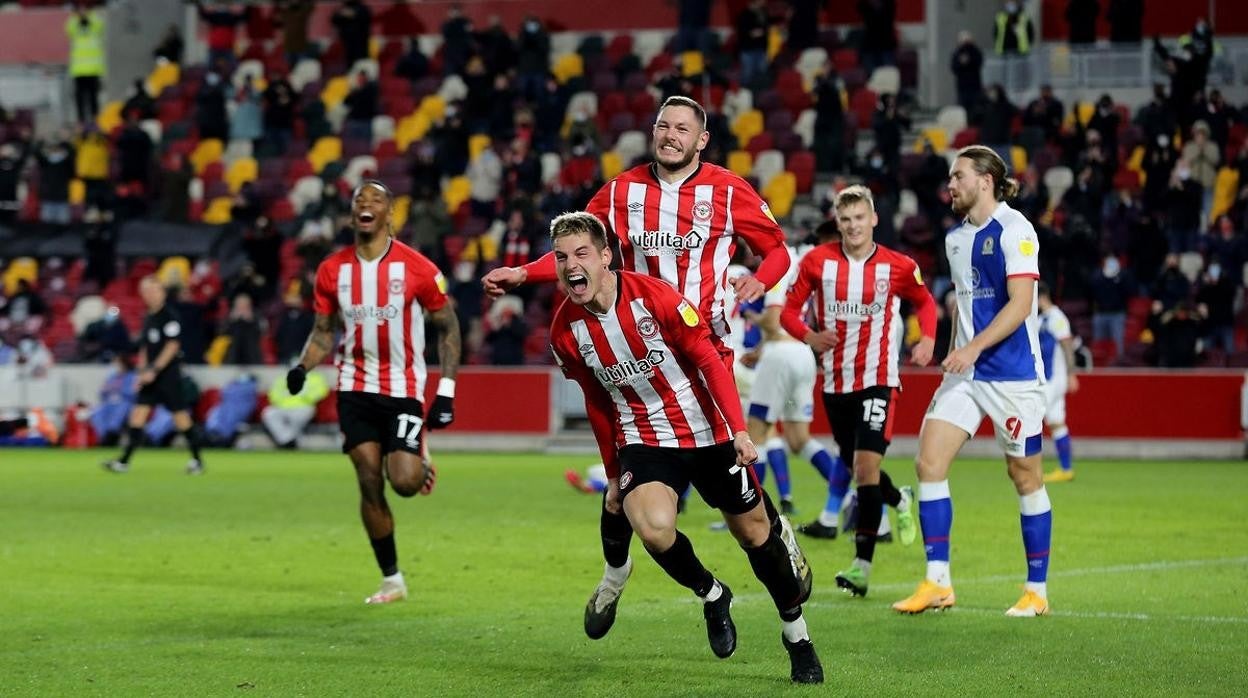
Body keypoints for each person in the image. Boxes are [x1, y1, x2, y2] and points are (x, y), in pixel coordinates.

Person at [482, 95, 798, 640]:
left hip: (705, 357)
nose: (669, 135)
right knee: (643, 502)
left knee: (746, 515)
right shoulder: (622, 191)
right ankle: (657, 573)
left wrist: (758, 282)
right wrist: (524, 273)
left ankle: (771, 534)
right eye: (662, 126)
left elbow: (776, 250)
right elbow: (578, 248)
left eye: (682, 128)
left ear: (701, 140)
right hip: (639, 359)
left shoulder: (726, 190)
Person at [546, 211, 823, 683]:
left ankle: (796, 634)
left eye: (582, 254)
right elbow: (596, 401)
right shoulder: (565, 332)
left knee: (755, 535)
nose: (571, 265)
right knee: (654, 529)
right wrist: (613, 474)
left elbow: (709, 361)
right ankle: (713, 593)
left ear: (607, 256)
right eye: (561, 257)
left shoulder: (655, 298)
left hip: (709, 430)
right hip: (645, 436)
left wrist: (739, 430)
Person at [891, 145, 1052, 617]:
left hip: (1014, 377)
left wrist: (972, 348)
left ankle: (1036, 591)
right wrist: (946, 345)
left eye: (958, 176)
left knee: (1025, 476)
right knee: (928, 463)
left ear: (985, 180)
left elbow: (1020, 304)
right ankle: (937, 582)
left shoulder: (1016, 230)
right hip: (965, 375)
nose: (950, 185)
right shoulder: (956, 239)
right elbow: (963, 301)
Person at [287, 180, 462, 605]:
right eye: (358, 201)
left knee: (403, 482)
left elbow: (449, 327)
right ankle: (392, 580)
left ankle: (419, 458)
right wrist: (303, 367)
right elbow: (325, 332)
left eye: (376, 200)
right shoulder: (332, 271)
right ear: (352, 216)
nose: (366, 205)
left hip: (403, 388)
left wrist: (447, 391)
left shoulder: (417, 269)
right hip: (354, 385)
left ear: (389, 215)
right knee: (368, 478)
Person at [780, 185, 935, 597]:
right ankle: (899, 499)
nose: (852, 227)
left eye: (859, 218)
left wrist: (928, 339)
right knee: (857, 468)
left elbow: (926, 302)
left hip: (878, 379)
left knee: (864, 468)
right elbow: (788, 313)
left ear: (873, 220)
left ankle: (861, 566)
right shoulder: (817, 262)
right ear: (839, 222)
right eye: (845, 220)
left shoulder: (898, 266)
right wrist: (810, 336)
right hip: (835, 382)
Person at [103, 277, 207, 475]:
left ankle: (197, 460)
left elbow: (172, 346)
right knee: (137, 416)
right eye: (147, 291)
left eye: (154, 290)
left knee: (181, 417)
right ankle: (123, 462)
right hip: (150, 377)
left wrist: (154, 370)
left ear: (163, 293)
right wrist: (140, 373)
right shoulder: (149, 317)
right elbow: (145, 349)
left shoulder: (169, 316)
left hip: (168, 376)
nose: (151, 294)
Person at [1037, 283, 1079, 483]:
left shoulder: (1057, 317)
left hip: (1053, 379)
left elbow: (1067, 345)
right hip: (1050, 378)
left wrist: (1071, 374)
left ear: (1041, 297)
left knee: (1032, 416)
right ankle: (1066, 469)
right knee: (1056, 422)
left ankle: (1030, 468)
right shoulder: (1041, 319)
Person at [262, 367, 328, 449]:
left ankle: (289, 441)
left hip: (303, 406)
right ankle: (288, 440)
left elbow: (320, 393)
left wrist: (304, 396)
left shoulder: (315, 377)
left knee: (303, 414)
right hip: (282, 406)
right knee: (269, 413)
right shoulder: (283, 378)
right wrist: (284, 398)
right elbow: (273, 395)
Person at [66, 3, 105, 124]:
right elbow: (68, 28)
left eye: (84, 9)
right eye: (80, 9)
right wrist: (78, 17)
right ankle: (81, 121)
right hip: (79, 70)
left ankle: (95, 120)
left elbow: (100, 24)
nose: (82, 12)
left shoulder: (94, 24)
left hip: (93, 70)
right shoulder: (75, 25)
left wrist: (88, 16)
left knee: (93, 97)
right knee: (80, 99)